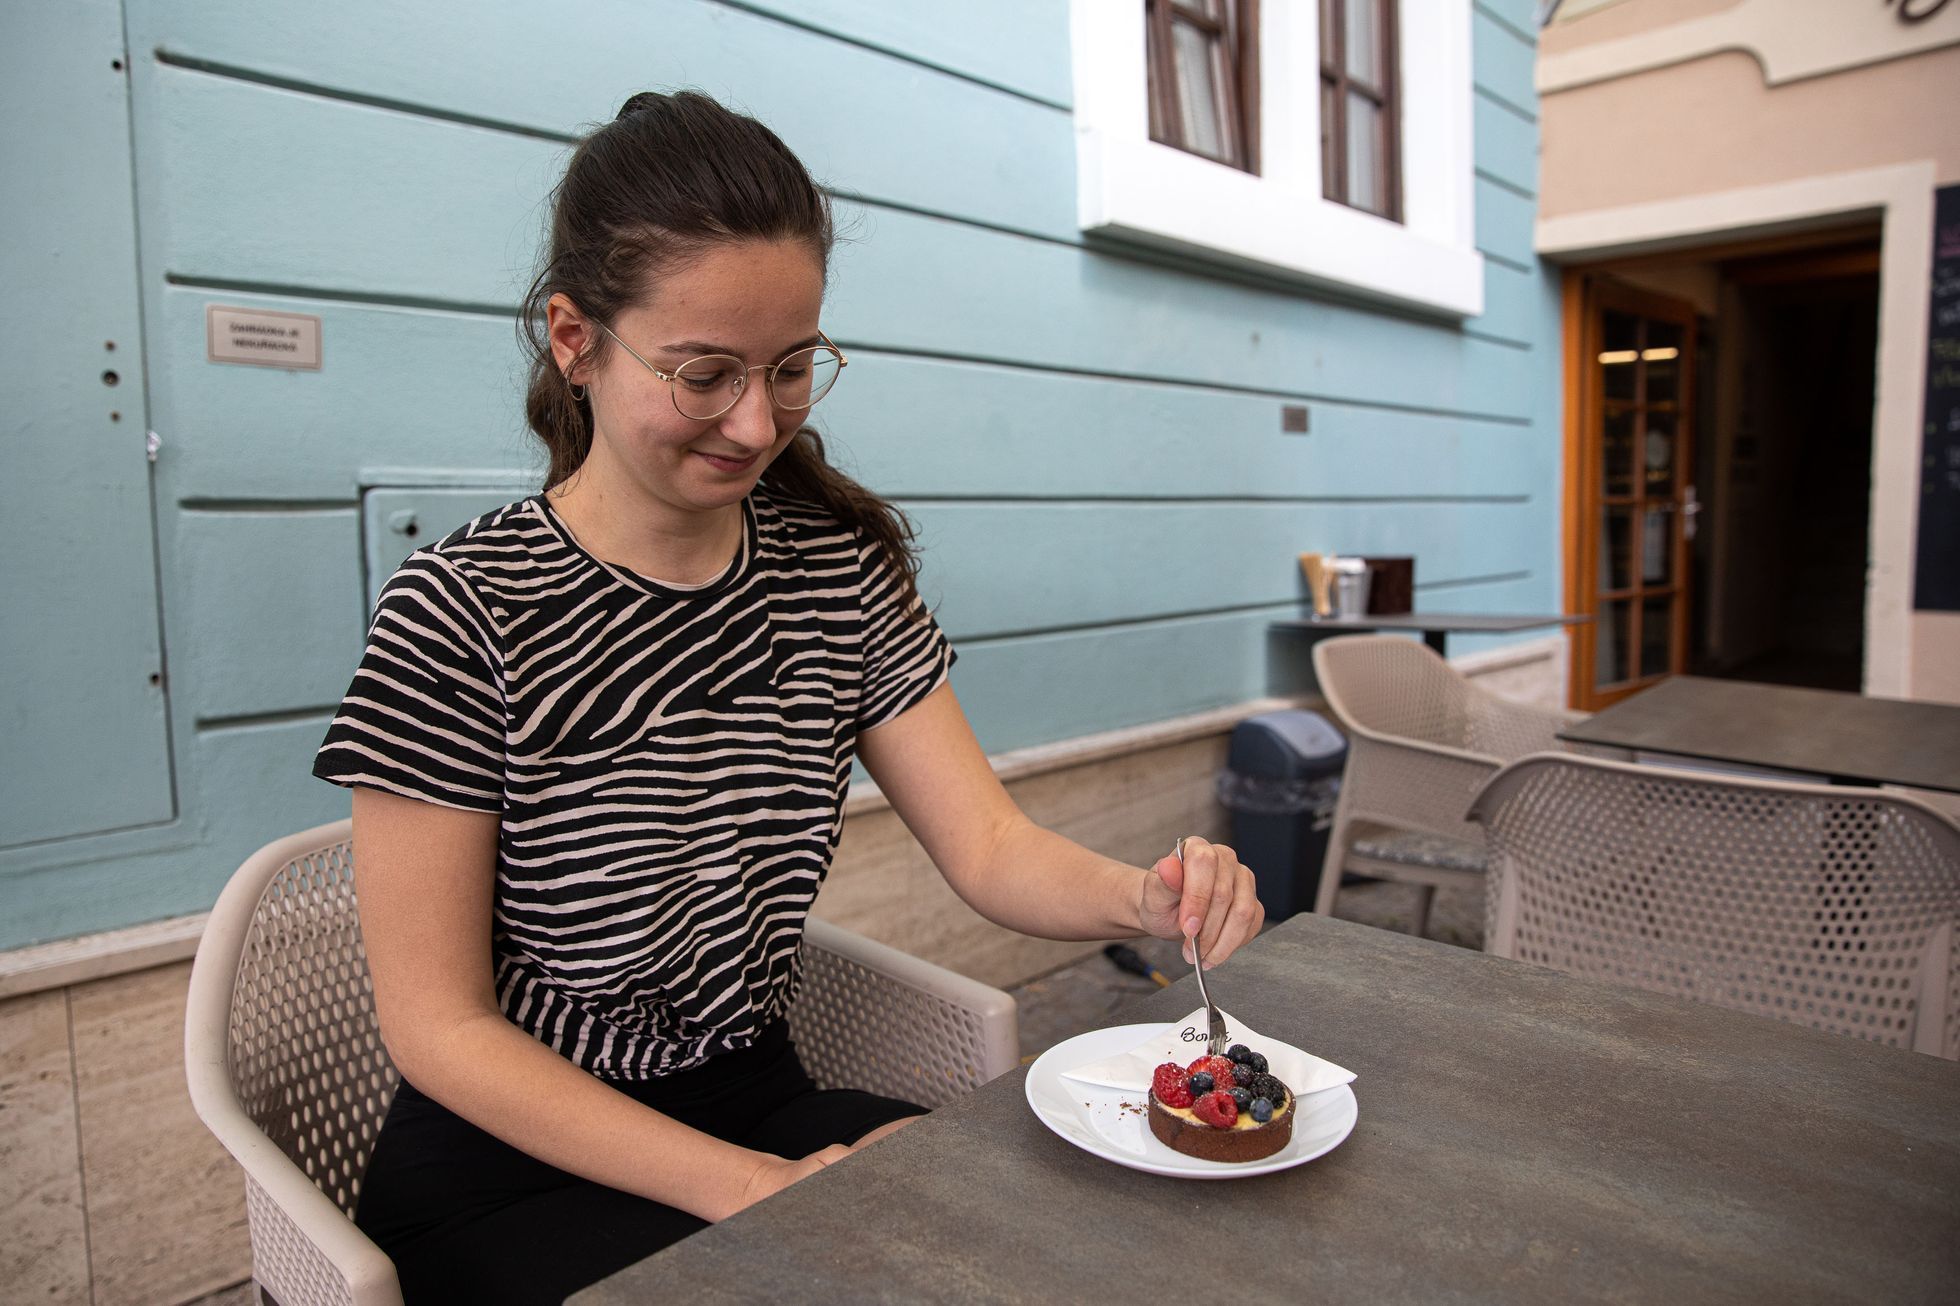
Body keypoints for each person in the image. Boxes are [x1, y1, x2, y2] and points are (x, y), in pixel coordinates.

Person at [314, 90, 1263, 1304]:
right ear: (572, 338)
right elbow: (439, 1029)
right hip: (516, 1163)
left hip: (759, 1099)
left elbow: (987, 842)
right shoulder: (463, 610)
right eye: (705, 373)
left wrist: (1146, 895)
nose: (757, 422)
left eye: (793, 367)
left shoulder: (831, 571)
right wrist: (761, 1192)